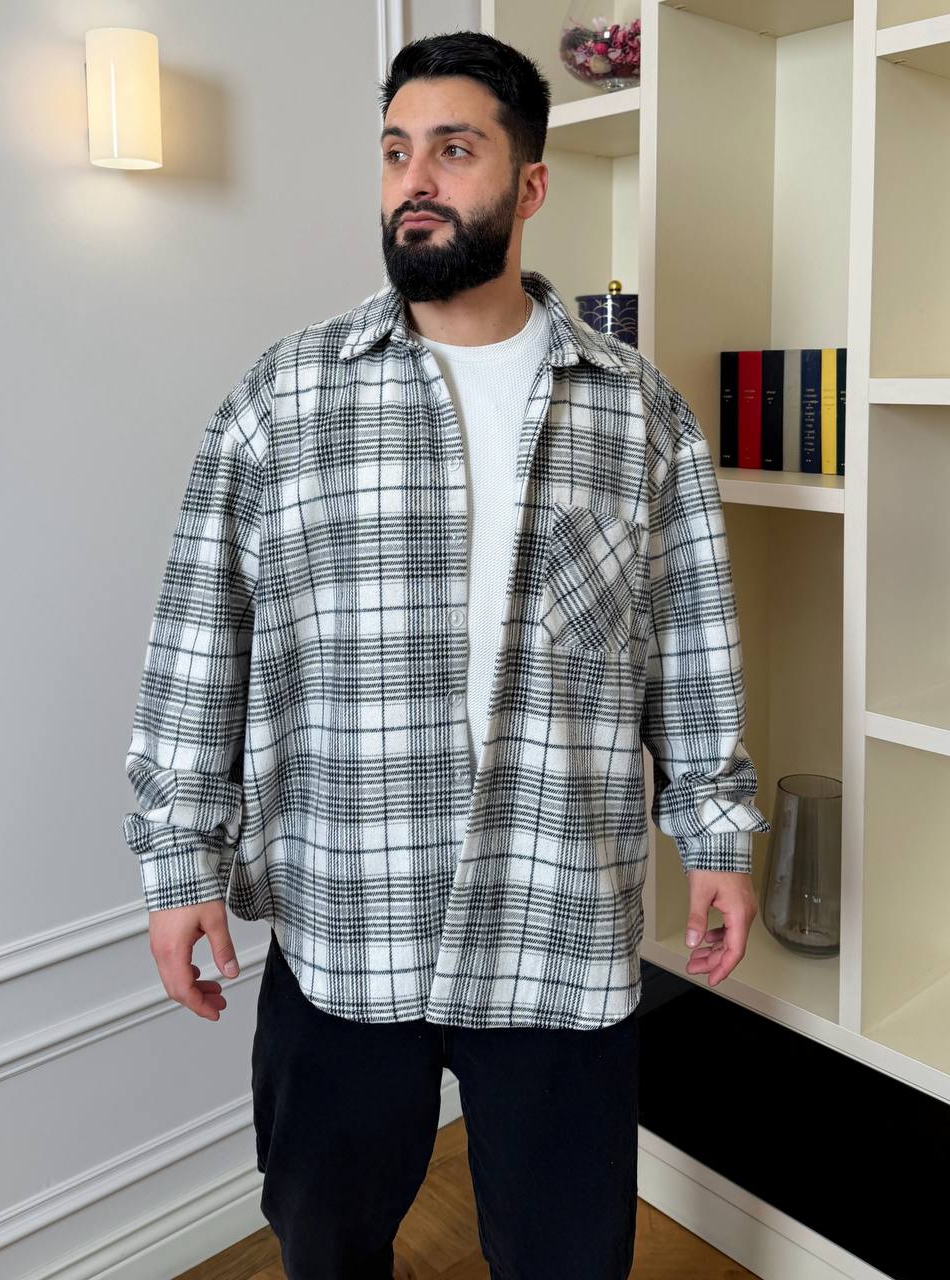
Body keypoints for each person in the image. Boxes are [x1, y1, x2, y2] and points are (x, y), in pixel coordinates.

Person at [121, 29, 771, 1280]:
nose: (414, 179)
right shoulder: (284, 397)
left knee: (567, 1256)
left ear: (530, 183)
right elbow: (201, 634)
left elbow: (689, 644)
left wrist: (718, 836)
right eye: (394, 151)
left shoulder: (639, 414)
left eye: (454, 149)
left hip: (556, 922)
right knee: (326, 1241)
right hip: (343, 921)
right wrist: (176, 858)